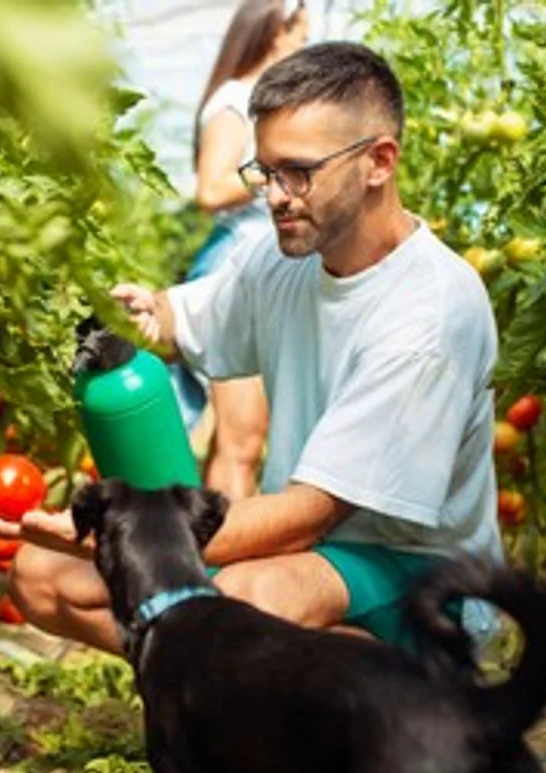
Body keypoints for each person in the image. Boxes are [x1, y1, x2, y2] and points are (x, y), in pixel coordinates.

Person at [0, 41, 505, 657]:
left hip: (426, 582)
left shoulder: (426, 315)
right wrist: (126, 316)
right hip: (312, 555)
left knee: (238, 603)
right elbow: (178, 321)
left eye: (297, 171)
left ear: (378, 161)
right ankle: (220, 690)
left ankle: (407, 698)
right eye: (265, 172)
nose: (274, 195)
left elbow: (308, 514)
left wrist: (111, 535)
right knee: (40, 577)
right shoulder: (281, 259)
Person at [170, 0, 310, 502]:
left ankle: (211, 557)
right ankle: (227, 570)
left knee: (244, 440)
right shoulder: (235, 99)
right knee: (241, 442)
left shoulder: (265, 103)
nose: (303, 46)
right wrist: (285, 172)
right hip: (236, 268)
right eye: (299, 35)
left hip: (264, 270)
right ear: (275, 33)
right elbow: (209, 189)